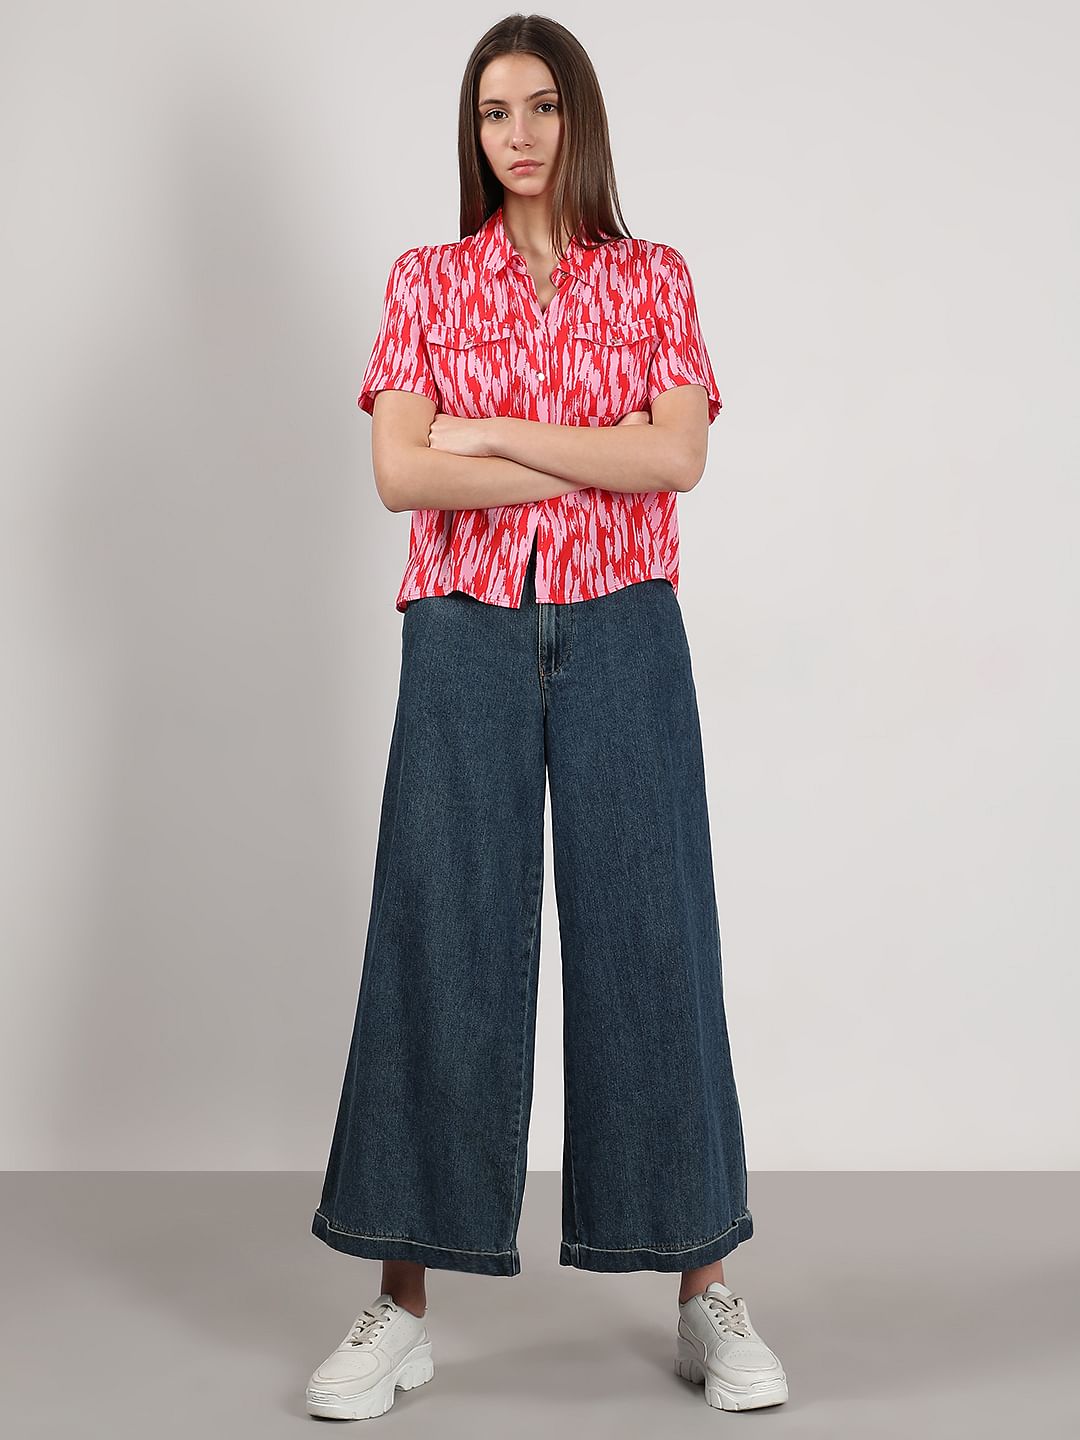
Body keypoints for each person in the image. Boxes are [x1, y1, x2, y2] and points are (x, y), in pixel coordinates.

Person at [305, 13, 788, 1421]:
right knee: (439, 934)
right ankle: (402, 1308)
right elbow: (402, 478)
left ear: (581, 119)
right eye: (491, 114)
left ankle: (704, 1292)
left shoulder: (654, 277)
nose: (515, 136)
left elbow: (679, 457)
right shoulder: (426, 281)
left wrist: (494, 434)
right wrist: (586, 461)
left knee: (654, 933)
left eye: (539, 107)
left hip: (627, 632)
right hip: (461, 636)